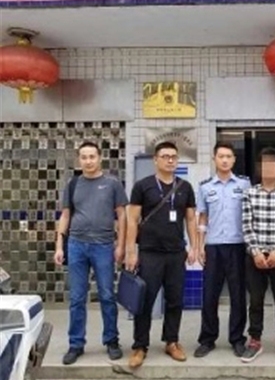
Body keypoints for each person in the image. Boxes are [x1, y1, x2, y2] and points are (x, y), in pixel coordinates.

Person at [54, 141, 128, 365]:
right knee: (77, 298)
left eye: (92, 156)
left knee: (107, 295)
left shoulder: (112, 183)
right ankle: (76, 344)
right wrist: (59, 245)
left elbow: (122, 216)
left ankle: (112, 341)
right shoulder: (73, 184)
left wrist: (121, 245)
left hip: (103, 246)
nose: (88, 161)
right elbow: (65, 215)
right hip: (76, 245)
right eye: (84, 157)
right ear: (79, 159)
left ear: (100, 158)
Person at [125, 141, 197, 368]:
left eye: (174, 156)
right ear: (155, 160)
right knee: (145, 301)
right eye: (165, 156)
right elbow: (132, 220)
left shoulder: (185, 187)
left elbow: (191, 219)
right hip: (150, 253)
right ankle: (140, 346)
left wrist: (194, 247)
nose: (170, 160)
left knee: (175, 300)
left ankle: (171, 342)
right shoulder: (142, 186)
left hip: (176, 253)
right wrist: (131, 251)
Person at [194, 141, 251, 358]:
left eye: (228, 156)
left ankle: (237, 339)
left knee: (238, 295)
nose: (225, 160)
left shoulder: (244, 184)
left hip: (238, 246)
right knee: (210, 295)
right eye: (221, 156)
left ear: (234, 160)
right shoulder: (205, 186)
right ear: (214, 159)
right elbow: (202, 218)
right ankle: (207, 339)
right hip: (213, 246)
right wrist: (200, 246)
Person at [240, 147, 275, 364]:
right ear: (259, 168)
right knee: (255, 301)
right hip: (255, 257)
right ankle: (255, 340)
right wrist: (256, 252)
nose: (269, 168)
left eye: (274, 164)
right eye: (265, 164)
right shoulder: (250, 193)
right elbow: (246, 225)